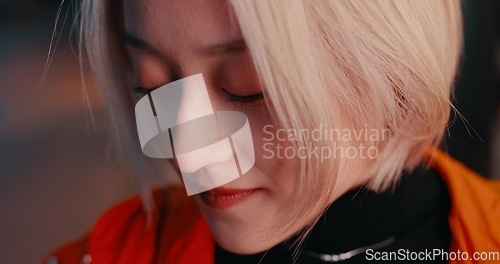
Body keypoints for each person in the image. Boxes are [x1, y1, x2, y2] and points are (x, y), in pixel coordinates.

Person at [43, 0, 500, 263]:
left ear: (392, 70)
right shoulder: (115, 251)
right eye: (153, 86)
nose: (187, 151)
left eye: (248, 89)